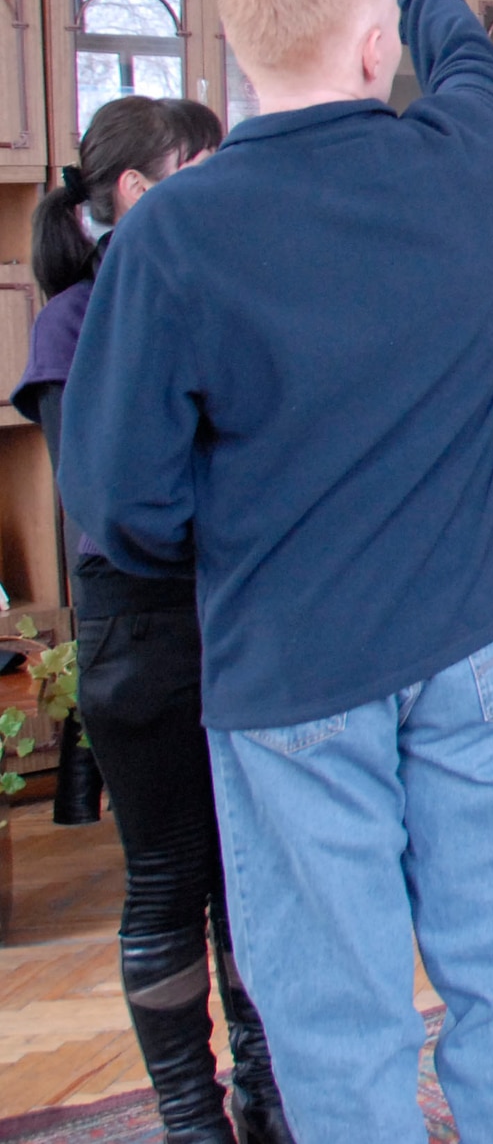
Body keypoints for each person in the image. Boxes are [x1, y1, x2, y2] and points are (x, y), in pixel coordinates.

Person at [57, 0, 493, 1140]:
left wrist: (242, 534)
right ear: (371, 47)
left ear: (237, 59)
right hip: (482, 636)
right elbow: (478, 66)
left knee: (338, 1024)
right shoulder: (450, 155)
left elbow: (119, 504)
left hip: (295, 661)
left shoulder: (170, 234)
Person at [11, 96, 294, 1144]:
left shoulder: (202, 294)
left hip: (237, 623)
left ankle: (268, 1099)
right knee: (173, 880)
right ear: (137, 192)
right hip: (147, 634)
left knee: (253, 883)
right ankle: (191, 1113)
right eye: (202, 167)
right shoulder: (71, 322)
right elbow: (120, 501)